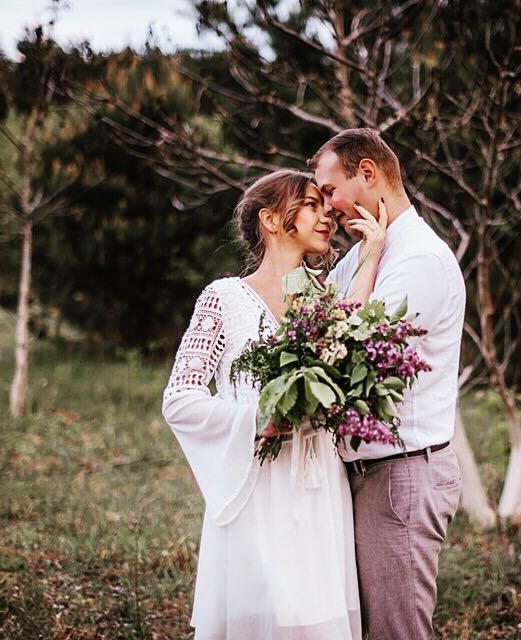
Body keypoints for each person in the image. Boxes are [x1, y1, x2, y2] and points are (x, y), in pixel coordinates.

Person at [161, 169, 387, 639]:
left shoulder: (324, 299)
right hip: (257, 487)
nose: (325, 213)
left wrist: (372, 253)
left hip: (320, 485)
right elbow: (180, 399)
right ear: (269, 218)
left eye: (324, 205)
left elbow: (351, 342)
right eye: (310, 204)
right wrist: (257, 419)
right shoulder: (223, 299)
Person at [311, 128, 466, 640]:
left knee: (396, 632)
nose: (328, 207)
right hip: (367, 472)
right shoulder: (365, 252)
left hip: (402, 475)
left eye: (331, 190)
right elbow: (314, 327)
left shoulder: (419, 259)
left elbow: (346, 353)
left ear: (369, 174)